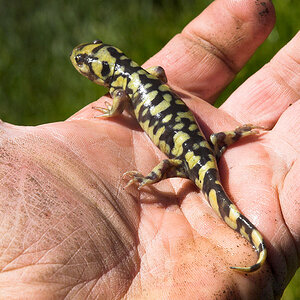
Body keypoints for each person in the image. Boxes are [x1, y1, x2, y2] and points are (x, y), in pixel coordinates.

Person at [0, 0, 299, 298]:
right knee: (212, 143)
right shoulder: (145, 74)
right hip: (202, 148)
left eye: (84, 63)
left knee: (170, 167)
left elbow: (119, 106)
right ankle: (235, 140)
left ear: (101, 74)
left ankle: (155, 183)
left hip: (190, 159)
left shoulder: (121, 91)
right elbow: (160, 72)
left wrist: (113, 115)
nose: (79, 63)